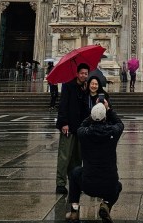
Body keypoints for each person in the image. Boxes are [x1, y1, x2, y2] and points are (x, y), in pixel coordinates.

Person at [65, 100, 124, 222]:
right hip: (109, 185)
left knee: (75, 172)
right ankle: (106, 204)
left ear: (91, 116)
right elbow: (120, 123)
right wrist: (108, 109)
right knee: (118, 186)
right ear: (105, 117)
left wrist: (93, 114)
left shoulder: (83, 133)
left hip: (88, 185)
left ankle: (74, 211)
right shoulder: (113, 132)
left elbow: (81, 125)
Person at [55, 62, 90, 195]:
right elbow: (63, 105)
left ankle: (75, 183)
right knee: (64, 156)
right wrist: (63, 123)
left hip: (80, 128)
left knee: (77, 158)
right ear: (77, 73)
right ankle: (60, 183)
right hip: (68, 127)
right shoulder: (68, 85)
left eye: (86, 74)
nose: (84, 75)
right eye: (81, 73)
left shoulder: (85, 88)